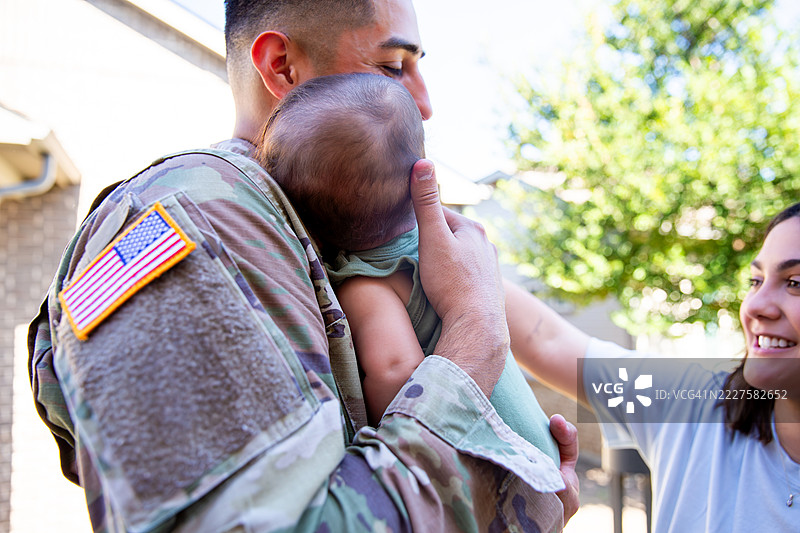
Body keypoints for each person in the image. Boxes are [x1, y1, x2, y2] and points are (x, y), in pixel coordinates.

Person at [28, 1, 579, 531]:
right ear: (282, 67)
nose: (425, 104)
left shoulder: (344, 230)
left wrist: (524, 499)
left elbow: (551, 338)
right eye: (392, 67)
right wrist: (476, 340)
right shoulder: (189, 219)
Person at [256, 71, 561, 466]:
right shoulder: (452, 247)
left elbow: (396, 372)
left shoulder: (364, 282)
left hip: (502, 465)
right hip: (537, 446)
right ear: (418, 176)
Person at [505, 202, 800, 532]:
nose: (756, 306)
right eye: (756, 280)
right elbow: (548, 342)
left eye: (795, 283)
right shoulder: (692, 402)